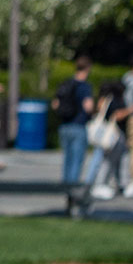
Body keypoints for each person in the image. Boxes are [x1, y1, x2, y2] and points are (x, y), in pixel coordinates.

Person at [56, 56, 96, 187]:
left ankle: (65, 186)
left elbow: (55, 104)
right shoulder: (85, 86)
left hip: (64, 125)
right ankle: (72, 190)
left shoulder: (66, 83)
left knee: (67, 159)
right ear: (88, 68)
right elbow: (88, 106)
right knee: (76, 160)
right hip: (78, 125)